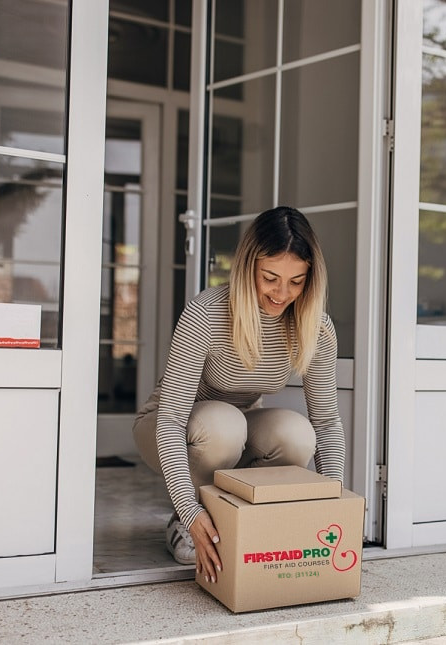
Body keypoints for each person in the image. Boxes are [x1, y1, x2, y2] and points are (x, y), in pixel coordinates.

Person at [132, 206, 345, 585]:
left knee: (297, 434)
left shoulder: (316, 327)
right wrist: (189, 508)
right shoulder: (206, 313)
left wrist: (335, 503)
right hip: (168, 425)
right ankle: (189, 517)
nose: (282, 294)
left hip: (238, 425)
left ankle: (233, 518)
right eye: (270, 278)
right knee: (222, 425)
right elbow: (169, 420)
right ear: (248, 267)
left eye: (297, 282)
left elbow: (326, 421)